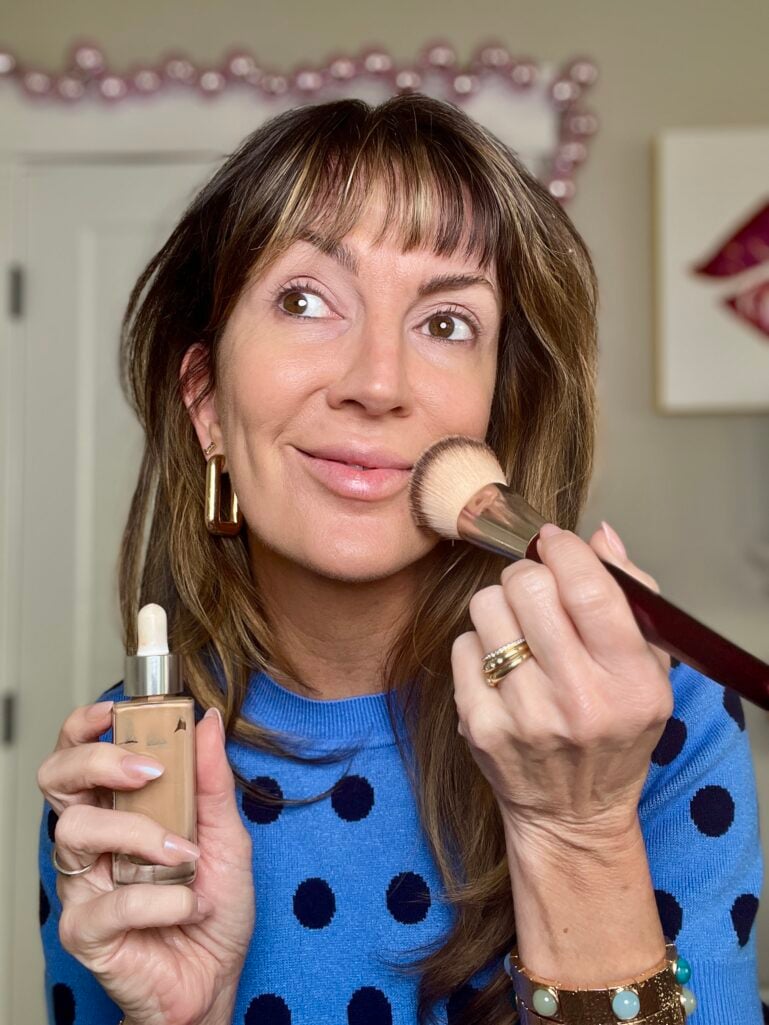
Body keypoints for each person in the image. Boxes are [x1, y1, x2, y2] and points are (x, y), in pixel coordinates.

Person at [36, 94, 763, 1025]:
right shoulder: (124, 776)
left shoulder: (650, 724)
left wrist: (577, 832)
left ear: (497, 416)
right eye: (305, 301)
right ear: (207, 400)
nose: (377, 382)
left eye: (446, 323)